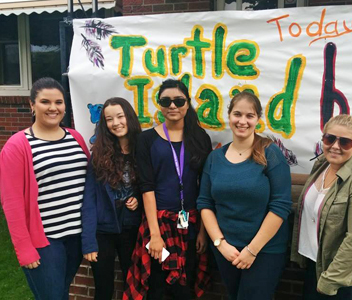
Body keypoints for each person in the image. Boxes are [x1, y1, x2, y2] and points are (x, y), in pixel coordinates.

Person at [0, 77, 90, 299]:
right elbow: (11, 202)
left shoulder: (75, 138)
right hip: (45, 241)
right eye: (45, 102)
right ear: (32, 105)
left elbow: (88, 185)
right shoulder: (18, 145)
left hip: (75, 238)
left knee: (61, 291)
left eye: (58, 102)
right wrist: (24, 249)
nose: (53, 108)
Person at [197, 91, 292, 300]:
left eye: (249, 116)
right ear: (229, 116)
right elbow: (205, 203)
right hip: (227, 250)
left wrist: (252, 250)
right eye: (237, 114)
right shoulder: (215, 158)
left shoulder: (270, 153)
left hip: (265, 250)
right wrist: (220, 244)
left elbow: (281, 205)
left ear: (258, 119)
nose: (242, 121)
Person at [124, 79, 212, 300]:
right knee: (157, 287)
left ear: (187, 103)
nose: (172, 105)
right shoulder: (146, 140)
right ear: (160, 105)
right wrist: (154, 235)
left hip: (190, 224)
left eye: (178, 100)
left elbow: (205, 187)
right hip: (158, 224)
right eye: (166, 101)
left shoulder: (200, 138)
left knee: (185, 285)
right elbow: (147, 188)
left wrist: (203, 231)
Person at [291, 114, 352, 300]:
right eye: (330, 138)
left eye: (345, 142)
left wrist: (330, 280)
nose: (335, 146)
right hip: (318, 266)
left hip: (349, 277)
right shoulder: (321, 165)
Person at [81, 97, 142, 300]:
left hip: (132, 229)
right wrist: (88, 241)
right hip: (103, 231)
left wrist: (139, 201)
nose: (115, 123)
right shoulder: (99, 155)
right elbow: (89, 199)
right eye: (109, 119)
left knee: (133, 285)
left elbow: (151, 187)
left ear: (129, 117)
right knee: (103, 289)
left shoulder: (143, 149)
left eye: (120, 116)